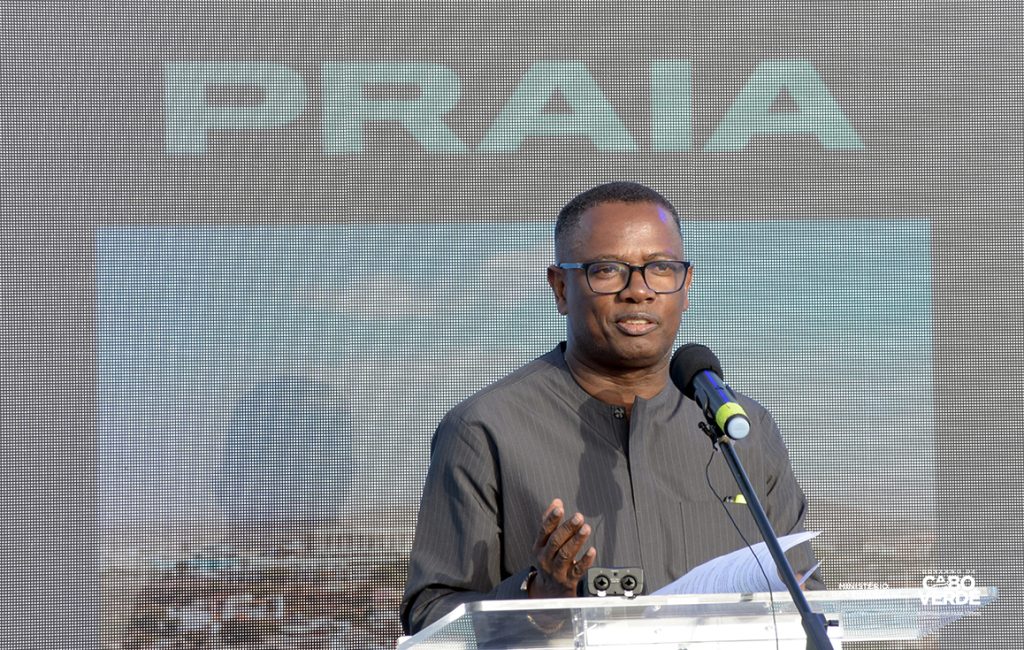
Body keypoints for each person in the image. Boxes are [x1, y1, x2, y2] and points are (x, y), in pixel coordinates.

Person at [401, 182, 820, 635]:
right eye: (607, 270)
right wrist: (536, 600)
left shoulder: (743, 428)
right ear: (561, 288)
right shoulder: (485, 430)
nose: (638, 291)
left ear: (686, 286)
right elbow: (431, 615)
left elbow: (805, 595)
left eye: (661, 268)